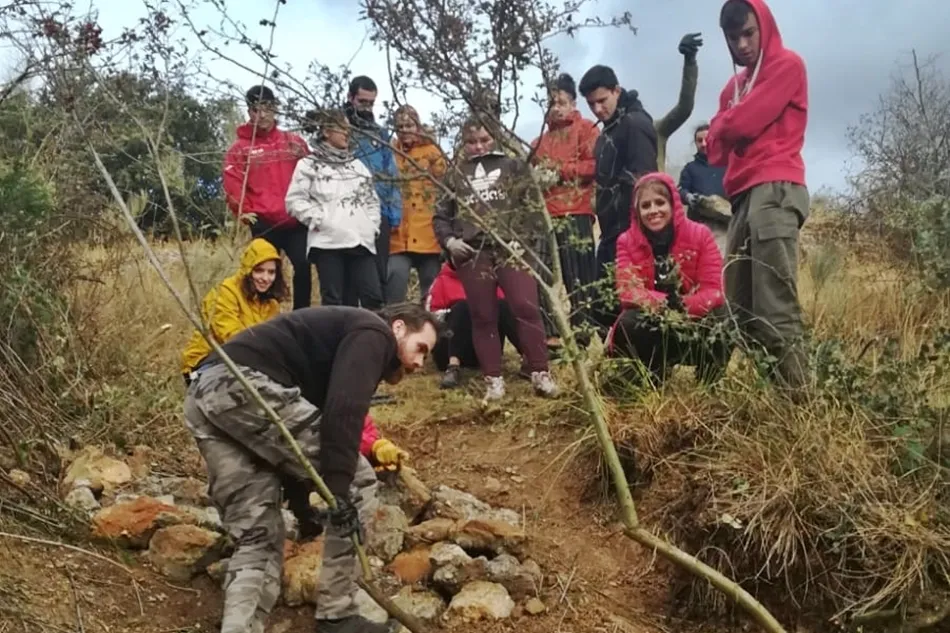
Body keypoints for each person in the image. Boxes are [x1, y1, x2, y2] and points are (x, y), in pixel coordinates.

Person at [183, 304, 439, 633]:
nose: (419, 363)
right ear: (399, 327)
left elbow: (293, 447)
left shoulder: (337, 341)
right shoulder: (375, 332)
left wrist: (303, 509)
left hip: (206, 393)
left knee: (258, 535)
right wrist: (337, 489)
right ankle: (337, 612)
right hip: (243, 385)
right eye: (421, 349)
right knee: (357, 480)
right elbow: (343, 412)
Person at [706, 0, 810, 391]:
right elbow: (714, 150)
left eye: (748, 33)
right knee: (741, 311)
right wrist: (731, 123)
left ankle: (801, 409)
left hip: (776, 187)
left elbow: (743, 121)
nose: (743, 44)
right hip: (742, 197)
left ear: (763, 26)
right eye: (734, 38)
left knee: (775, 307)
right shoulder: (733, 87)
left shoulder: (787, 65)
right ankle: (778, 397)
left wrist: (729, 122)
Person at [432, 117, 558, 401]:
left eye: (485, 140)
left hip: (512, 248)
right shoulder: (454, 173)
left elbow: (532, 206)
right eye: (472, 142)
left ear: (496, 138)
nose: (478, 146)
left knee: (526, 307)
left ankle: (540, 371)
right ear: (463, 143)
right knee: (482, 315)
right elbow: (441, 215)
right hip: (473, 252)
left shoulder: (513, 166)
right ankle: (493, 379)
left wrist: (521, 239)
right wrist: (451, 241)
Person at [609, 172, 729, 384]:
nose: (653, 211)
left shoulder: (700, 234)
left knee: (724, 316)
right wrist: (666, 306)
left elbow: (714, 291)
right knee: (629, 321)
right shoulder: (626, 241)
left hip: (693, 323)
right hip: (654, 325)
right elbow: (627, 293)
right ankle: (653, 377)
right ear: (637, 212)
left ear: (673, 205)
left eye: (659, 203)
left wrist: (682, 308)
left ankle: (709, 383)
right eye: (645, 206)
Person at [578, 65, 659, 330]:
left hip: (632, 232)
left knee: (628, 307)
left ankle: (640, 366)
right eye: (591, 104)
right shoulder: (609, 130)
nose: (598, 109)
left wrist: (638, 235)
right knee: (602, 306)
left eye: (602, 100)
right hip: (611, 232)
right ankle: (617, 364)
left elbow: (645, 182)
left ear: (617, 91)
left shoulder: (634, 124)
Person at [223, 85, 311, 310]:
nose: (261, 115)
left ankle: (302, 318)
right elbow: (233, 186)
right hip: (263, 222)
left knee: (303, 267)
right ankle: (264, 317)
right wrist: (247, 213)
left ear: (275, 109)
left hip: (295, 220)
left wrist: (310, 209)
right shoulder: (240, 148)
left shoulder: (293, 142)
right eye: (255, 109)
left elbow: (313, 173)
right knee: (264, 273)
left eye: (267, 108)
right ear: (249, 112)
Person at [286, 110, 383, 309]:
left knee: (373, 298)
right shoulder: (309, 164)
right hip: (328, 243)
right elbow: (295, 200)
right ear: (326, 132)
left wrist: (371, 227)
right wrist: (321, 221)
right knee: (334, 303)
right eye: (341, 128)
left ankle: (374, 338)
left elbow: (372, 201)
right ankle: (335, 340)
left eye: (348, 129)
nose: (346, 133)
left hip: (360, 241)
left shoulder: (357, 166)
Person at [531, 74, 601, 349]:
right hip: (545, 217)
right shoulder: (539, 141)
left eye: (561, 101)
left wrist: (560, 172)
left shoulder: (586, 130)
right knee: (539, 276)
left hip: (576, 212)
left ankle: (581, 339)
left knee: (580, 280)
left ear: (573, 102)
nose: (556, 107)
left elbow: (595, 166)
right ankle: (551, 338)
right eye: (551, 102)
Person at [180, 239, 287, 385]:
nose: (265, 278)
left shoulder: (271, 304)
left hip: (247, 361)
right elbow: (231, 337)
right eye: (259, 270)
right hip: (207, 360)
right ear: (248, 269)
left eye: (271, 272)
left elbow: (273, 342)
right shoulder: (227, 290)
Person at [344, 76, 402, 300]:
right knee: (348, 281)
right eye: (362, 101)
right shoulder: (341, 129)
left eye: (371, 102)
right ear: (351, 98)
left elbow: (392, 173)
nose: (367, 107)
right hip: (348, 212)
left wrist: (393, 214)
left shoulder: (380, 133)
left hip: (379, 213)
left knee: (377, 278)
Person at [426, 261, 521, 389]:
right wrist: (456, 313)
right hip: (448, 348)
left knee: (503, 306)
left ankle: (529, 358)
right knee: (463, 307)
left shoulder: (490, 281)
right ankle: (453, 367)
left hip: (482, 347)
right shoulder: (442, 281)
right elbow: (431, 317)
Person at [387, 105, 447, 303]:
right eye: (400, 126)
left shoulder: (432, 151)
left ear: (418, 126)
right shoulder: (390, 152)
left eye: (410, 125)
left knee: (430, 289)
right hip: (398, 236)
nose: (405, 130)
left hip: (427, 234)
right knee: (395, 278)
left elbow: (446, 186)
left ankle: (430, 329)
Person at [654, 33, 704, 172]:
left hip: (653, 191)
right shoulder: (605, 139)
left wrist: (690, 61)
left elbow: (685, 107)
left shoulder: (654, 130)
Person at [679, 122, 730, 254]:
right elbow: (681, 191)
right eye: (699, 141)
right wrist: (689, 197)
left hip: (727, 228)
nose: (703, 144)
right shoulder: (689, 169)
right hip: (699, 227)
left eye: (707, 139)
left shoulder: (728, 165)